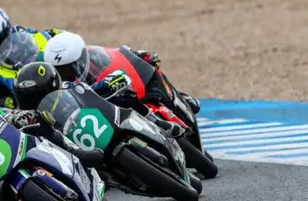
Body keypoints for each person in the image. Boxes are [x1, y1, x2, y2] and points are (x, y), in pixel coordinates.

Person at [43, 31, 197, 136]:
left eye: (70, 69)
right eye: (61, 71)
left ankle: (177, 98)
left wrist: (137, 55)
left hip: (114, 90)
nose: (67, 75)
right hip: (100, 113)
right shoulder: (60, 87)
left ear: (82, 58)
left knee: (149, 64)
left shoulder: (94, 55)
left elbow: (117, 53)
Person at [0, 5, 62, 108]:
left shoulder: (20, 33)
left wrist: (56, 36)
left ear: (8, 31)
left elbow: (41, 35)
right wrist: (0, 103)